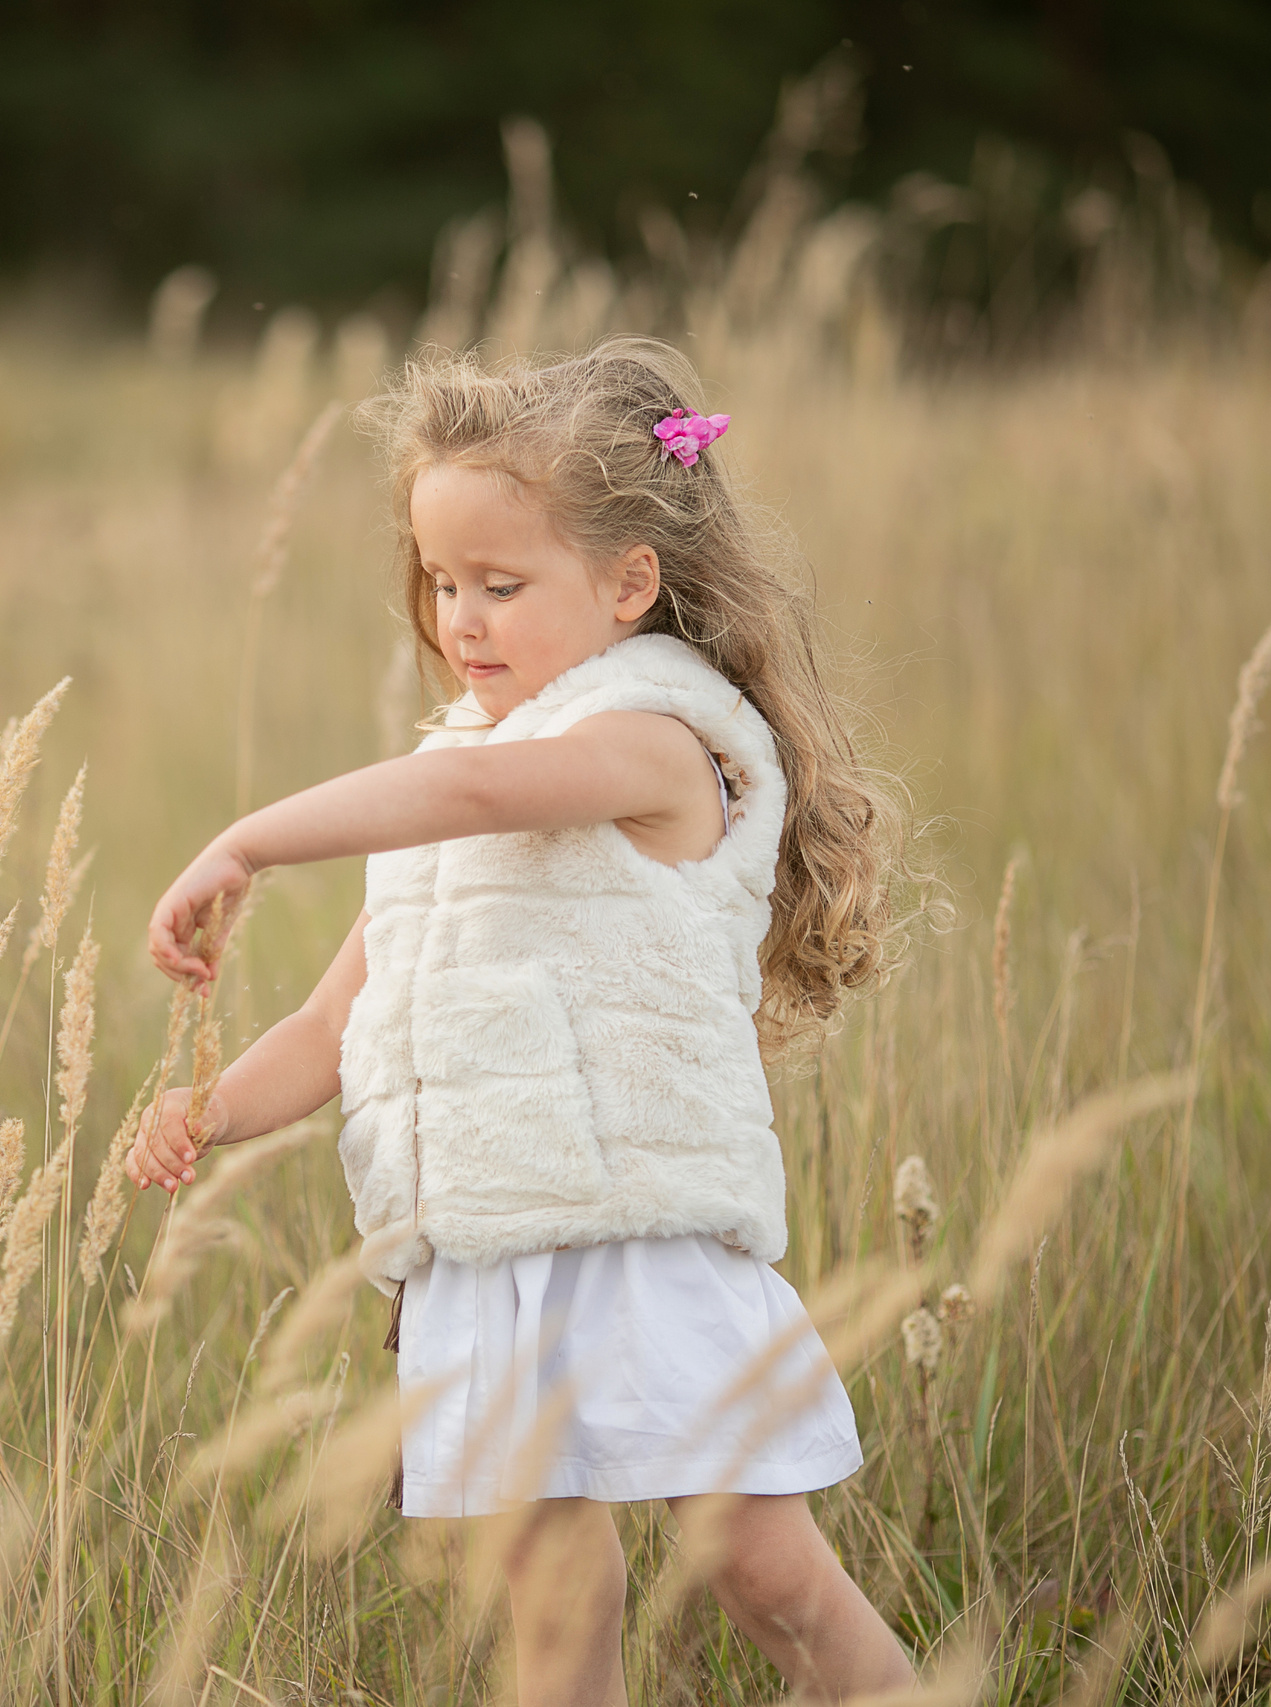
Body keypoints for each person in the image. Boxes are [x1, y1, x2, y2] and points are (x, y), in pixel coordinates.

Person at [129, 338, 917, 1705]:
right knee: (552, 1604)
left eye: (501, 584)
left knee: (765, 1572)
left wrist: (249, 841)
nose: (462, 620)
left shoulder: (661, 741)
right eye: (440, 583)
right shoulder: (461, 775)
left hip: (643, 1227)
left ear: (627, 585)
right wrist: (210, 1113)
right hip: (490, 1250)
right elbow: (337, 1021)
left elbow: (492, 802)